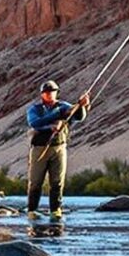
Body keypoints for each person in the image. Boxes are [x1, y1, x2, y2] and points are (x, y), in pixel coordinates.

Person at [24, 80, 87, 216]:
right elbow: (34, 123)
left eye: (52, 92)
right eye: (46, 92)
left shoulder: (64, 106)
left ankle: (55, 210)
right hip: (39, 149)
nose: (49, 94)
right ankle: (32, 210)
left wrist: (81, 106)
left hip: (59, 148)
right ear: (42, 94)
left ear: (57, 93)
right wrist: (53, 123)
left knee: (57, 181)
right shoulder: (34, 109)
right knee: (35, 181)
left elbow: (79, 117)